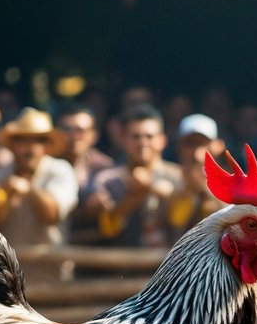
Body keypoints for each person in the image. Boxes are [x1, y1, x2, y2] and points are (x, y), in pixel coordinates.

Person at [78, 103, 184, 248]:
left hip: (173, 268)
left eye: (149, 136)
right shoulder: (107, 180)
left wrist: (154, 187)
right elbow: (106, 225)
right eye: (136, 136)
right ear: (123, 139)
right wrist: (133, 197)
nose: (142, 143)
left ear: (162, 140)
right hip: (124, 268)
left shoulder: (179, 177)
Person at [0, 107, 77, 257]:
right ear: (12, 144)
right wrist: (5, 193)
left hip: (50, 274)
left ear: (47, 145)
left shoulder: (61, 170)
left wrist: (29, 189)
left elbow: (51, 216)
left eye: (38, 140)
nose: (31, 148)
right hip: (6, 274)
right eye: (23, 140)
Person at [171, 112, 227, 225]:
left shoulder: (232, 185)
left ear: (217, 146)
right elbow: (174, 224)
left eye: (203, 144)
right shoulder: (169, 178)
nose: (196, 154)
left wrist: (206, 191)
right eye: (191, 144)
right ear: (179, 147)